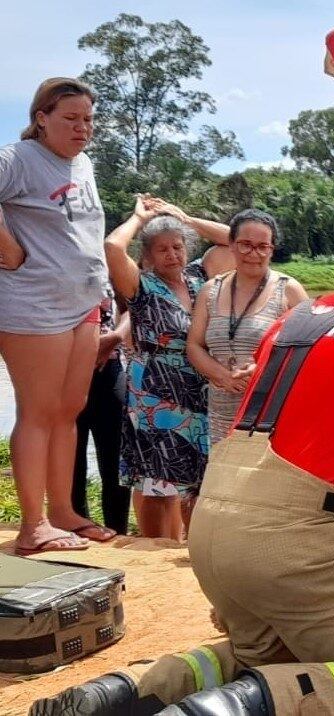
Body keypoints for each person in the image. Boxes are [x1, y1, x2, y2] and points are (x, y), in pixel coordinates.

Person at [34, 269, 334, 715]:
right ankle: (221, 711)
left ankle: (122, 692)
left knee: (278, 658)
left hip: (214, 522)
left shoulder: (297, 319)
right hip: (293, 542)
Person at [0, 77, 112, 555]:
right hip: (33, 305)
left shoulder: (82, 163)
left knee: (68, 410)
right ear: (41, 118)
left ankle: (63, 511)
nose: (82, 128)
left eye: (87, 119)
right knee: (39, 411)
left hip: (83, 304)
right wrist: (9, 248)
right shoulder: (20, 159)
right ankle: (32, 526)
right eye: (70, 119)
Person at [104, 197, 229, 539]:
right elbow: (113, 246)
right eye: (162, 250)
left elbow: (234, 239)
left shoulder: (197, 279)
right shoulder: (141, 286)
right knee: (158, 479)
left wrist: (185, 218)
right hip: (154, 393)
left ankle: (192, 548)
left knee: (197, 475)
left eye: (177, 247)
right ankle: (155, 549)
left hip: (198, 389)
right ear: (148, 255)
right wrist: (139, 218)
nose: (172, 255)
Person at [186, 208, 307, 447]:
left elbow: (310, 351)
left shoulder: (289, 291)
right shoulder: (210, 290)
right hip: (221, 414)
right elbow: (194, 345)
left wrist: (261, 370)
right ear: (231, 244)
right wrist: (222, 376)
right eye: (245, 244)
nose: (254, 253)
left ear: (272, 250)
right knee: (224, 482)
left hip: (272, 415)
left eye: (263, 247)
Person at [70, 283, 132, 535]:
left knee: (116, 457)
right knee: (71, 455)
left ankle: (117, 530)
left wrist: (116, 337)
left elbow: (130, 308)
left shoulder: (104, 260)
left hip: (109, 367)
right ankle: (75, 525)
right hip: (64, 367)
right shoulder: (46, 255)